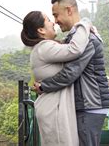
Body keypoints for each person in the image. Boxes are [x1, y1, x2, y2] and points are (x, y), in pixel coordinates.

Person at [34, 0, 109, 146]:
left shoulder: (87, 40)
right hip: (85, 105)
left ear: (69, 10)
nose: (55, 21)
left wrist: (44, 86)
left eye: (56, 15)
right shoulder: (75, 38)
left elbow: (71, 72)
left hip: (90, 105)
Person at [21, 10, 92, 146]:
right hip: (54, 110)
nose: (53, 22)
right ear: (41, 30)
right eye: (48, 20)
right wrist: (84, 24)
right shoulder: (44, 47)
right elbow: (75, 49)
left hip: (54, 108)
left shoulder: (44, 48)